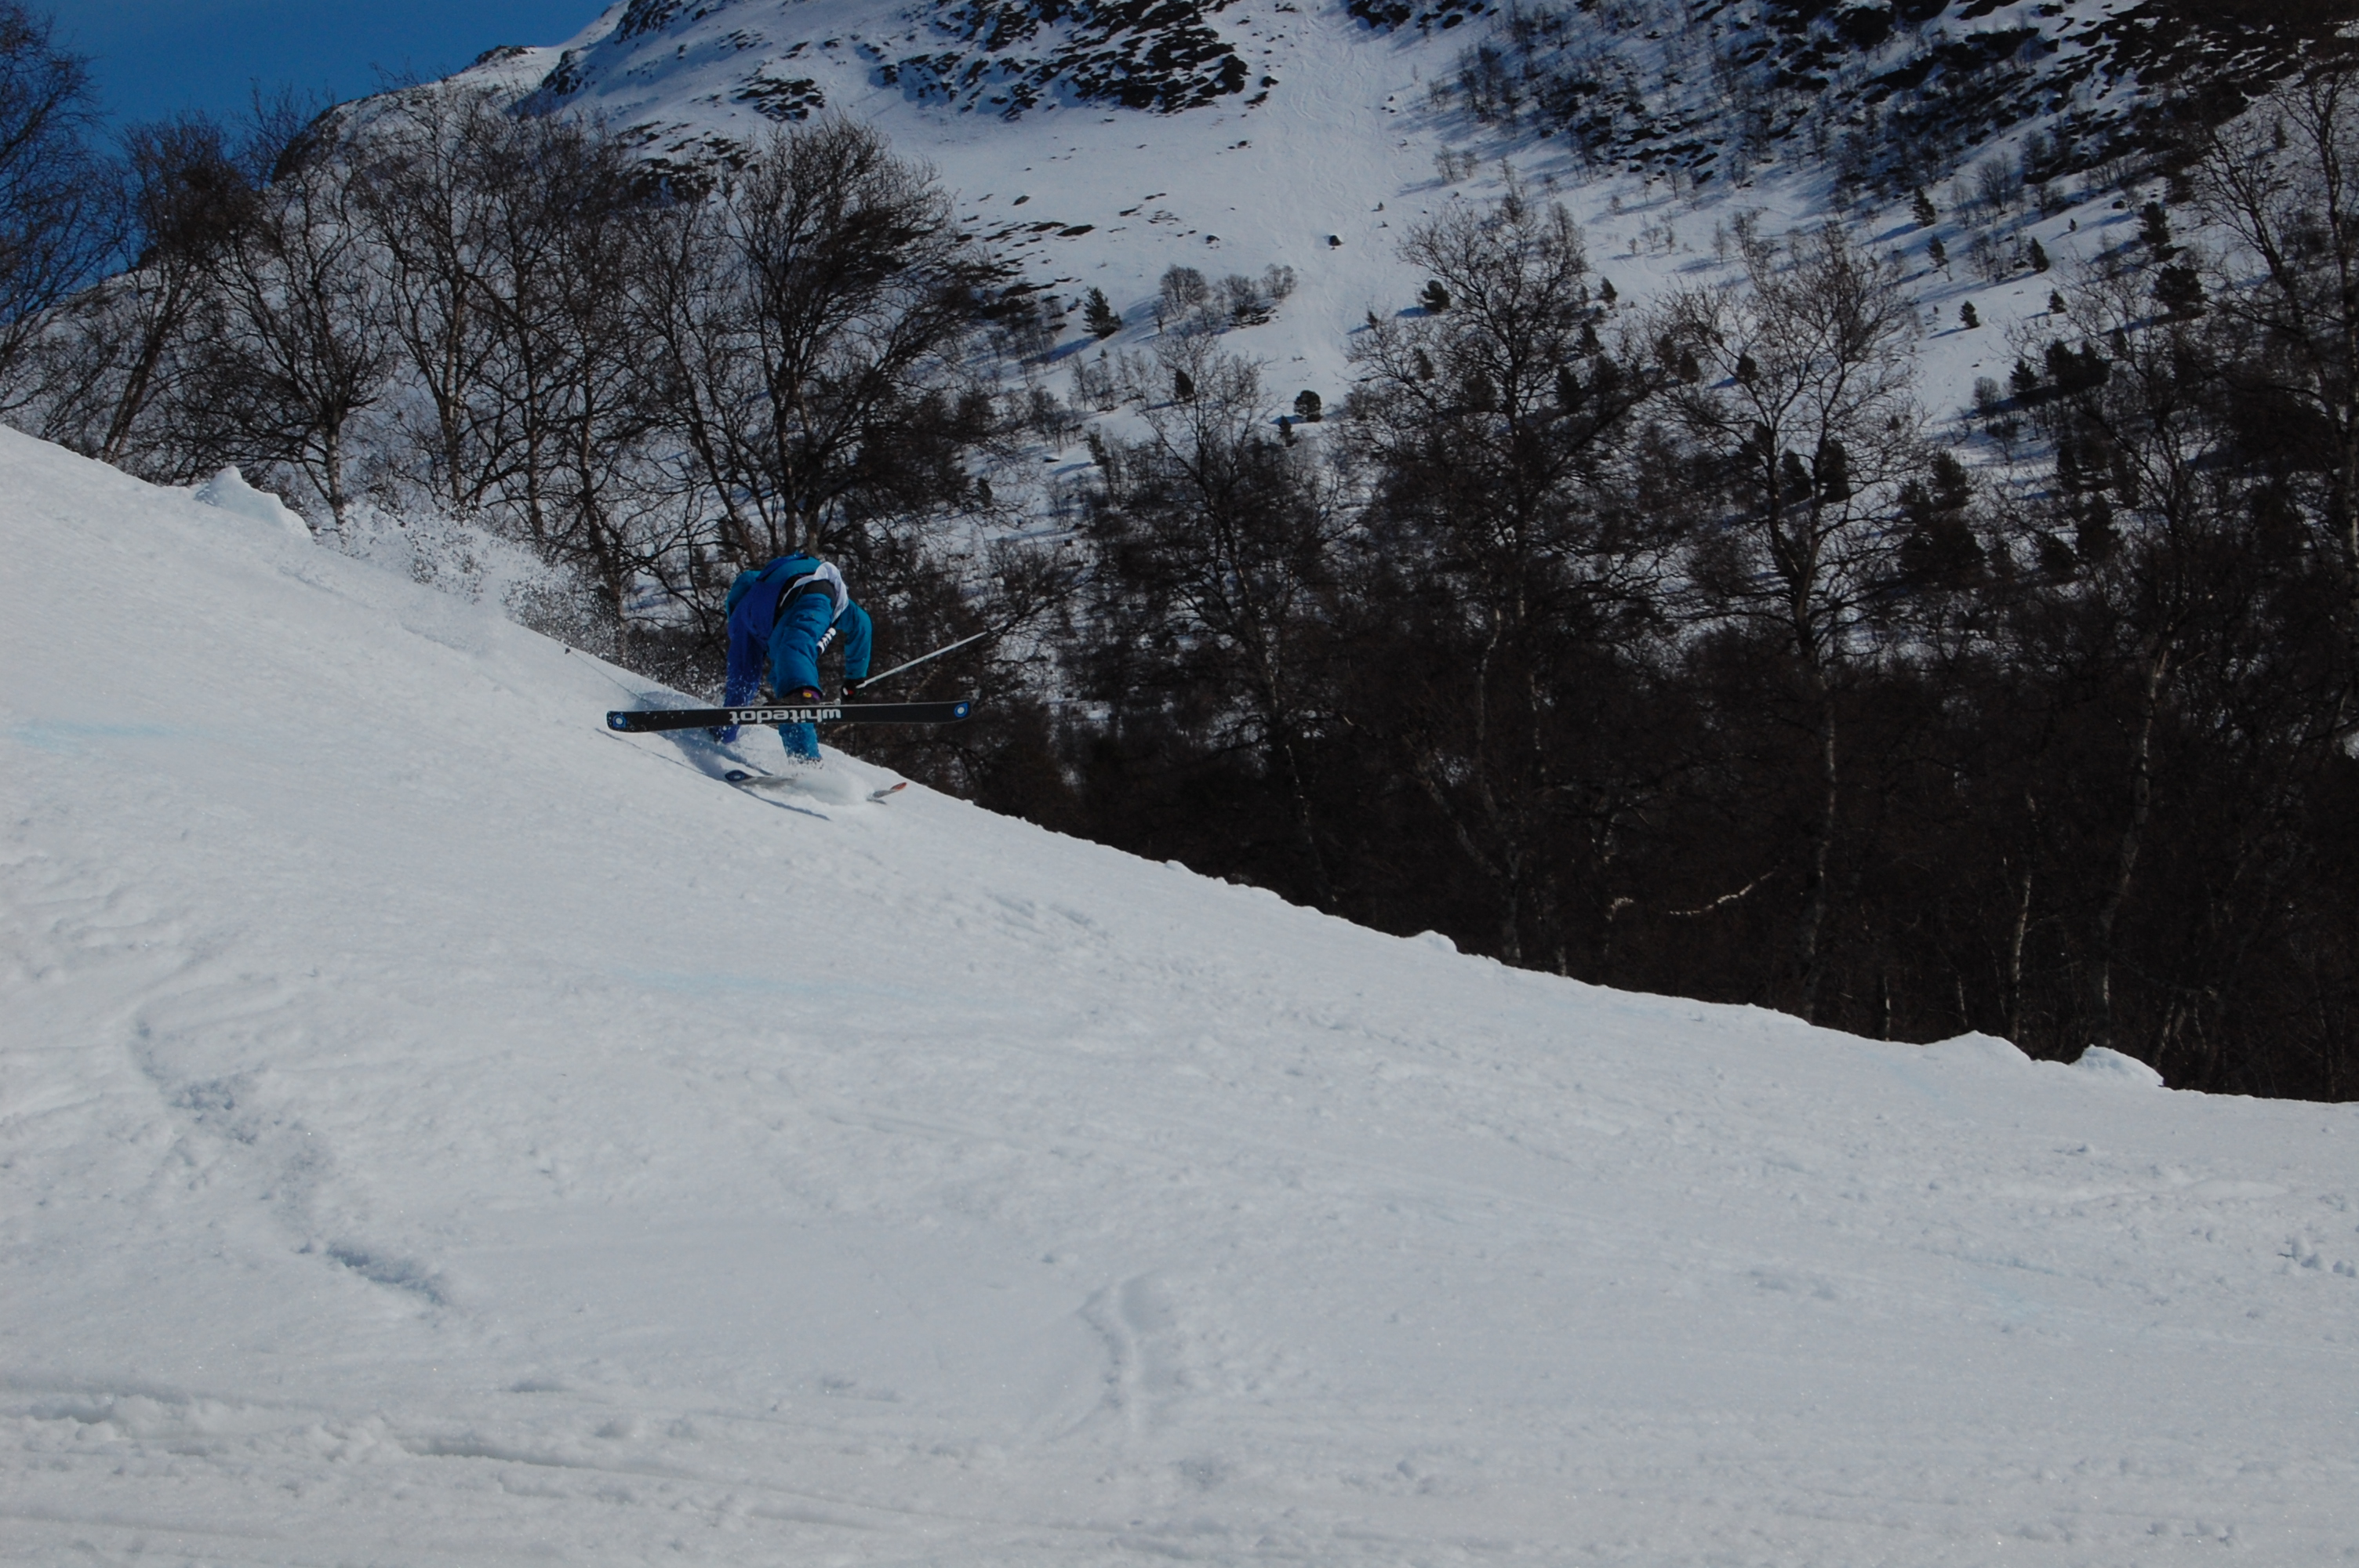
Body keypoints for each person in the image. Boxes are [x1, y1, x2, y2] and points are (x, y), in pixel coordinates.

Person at [711, 552, 874, 761]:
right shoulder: (767, 586)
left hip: (802, 598)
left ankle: (806, 756)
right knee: (789, 677)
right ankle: (805, 759)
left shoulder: (743, 618)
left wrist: (725, 731)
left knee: (794, 661)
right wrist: (855, 678)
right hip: (826, 589)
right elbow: (863, 624)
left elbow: (742, 679)